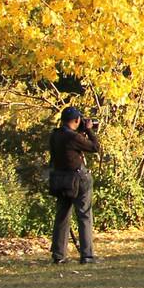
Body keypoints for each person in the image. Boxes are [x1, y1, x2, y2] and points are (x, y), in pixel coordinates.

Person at [49, 107, 100, 265]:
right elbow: (94, 147)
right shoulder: (73, 137)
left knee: (62, 216)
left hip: (60, 178)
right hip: (77, 178)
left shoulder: (55, 135)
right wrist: (90, 131)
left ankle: (59, 255)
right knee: (84, 215)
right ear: (77, 120)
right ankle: (87, 255)